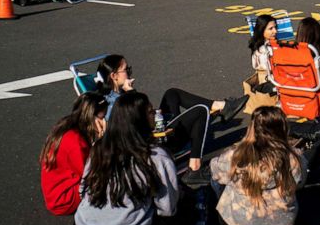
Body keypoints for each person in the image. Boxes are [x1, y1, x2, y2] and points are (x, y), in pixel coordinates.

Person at [95, 55, 247, 172]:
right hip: (154, 139)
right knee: (201, 110)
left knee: (172, 94)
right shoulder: (116, 103)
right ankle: (195, 166)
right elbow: (138, 123)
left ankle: (223, 106)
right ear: (114, 76)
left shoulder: (115, 96)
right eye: (126, 70)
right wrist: (132, 93)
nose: (129, 72)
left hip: (155, 126)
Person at [74, 91, 182, 225]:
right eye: (151, 112)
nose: (155, 114)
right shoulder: (155, 155)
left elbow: (83, 189)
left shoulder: (100, 148)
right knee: (186, 210)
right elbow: (167, 209)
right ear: (140, 120)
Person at [209, 106, 307, 225]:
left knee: (220, 179)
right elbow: (300, 183)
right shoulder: (294, 156)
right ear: (283, 128)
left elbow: (215, 173)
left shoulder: (236, 156)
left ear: (252, 128)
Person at [40, 92, 108, 216]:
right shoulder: (75, 141)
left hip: (58, 190)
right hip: (64, 198)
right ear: (91, 116)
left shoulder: (68, 125)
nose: (105, 121)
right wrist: (102, 141)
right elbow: (92, 172)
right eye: (102, 117)